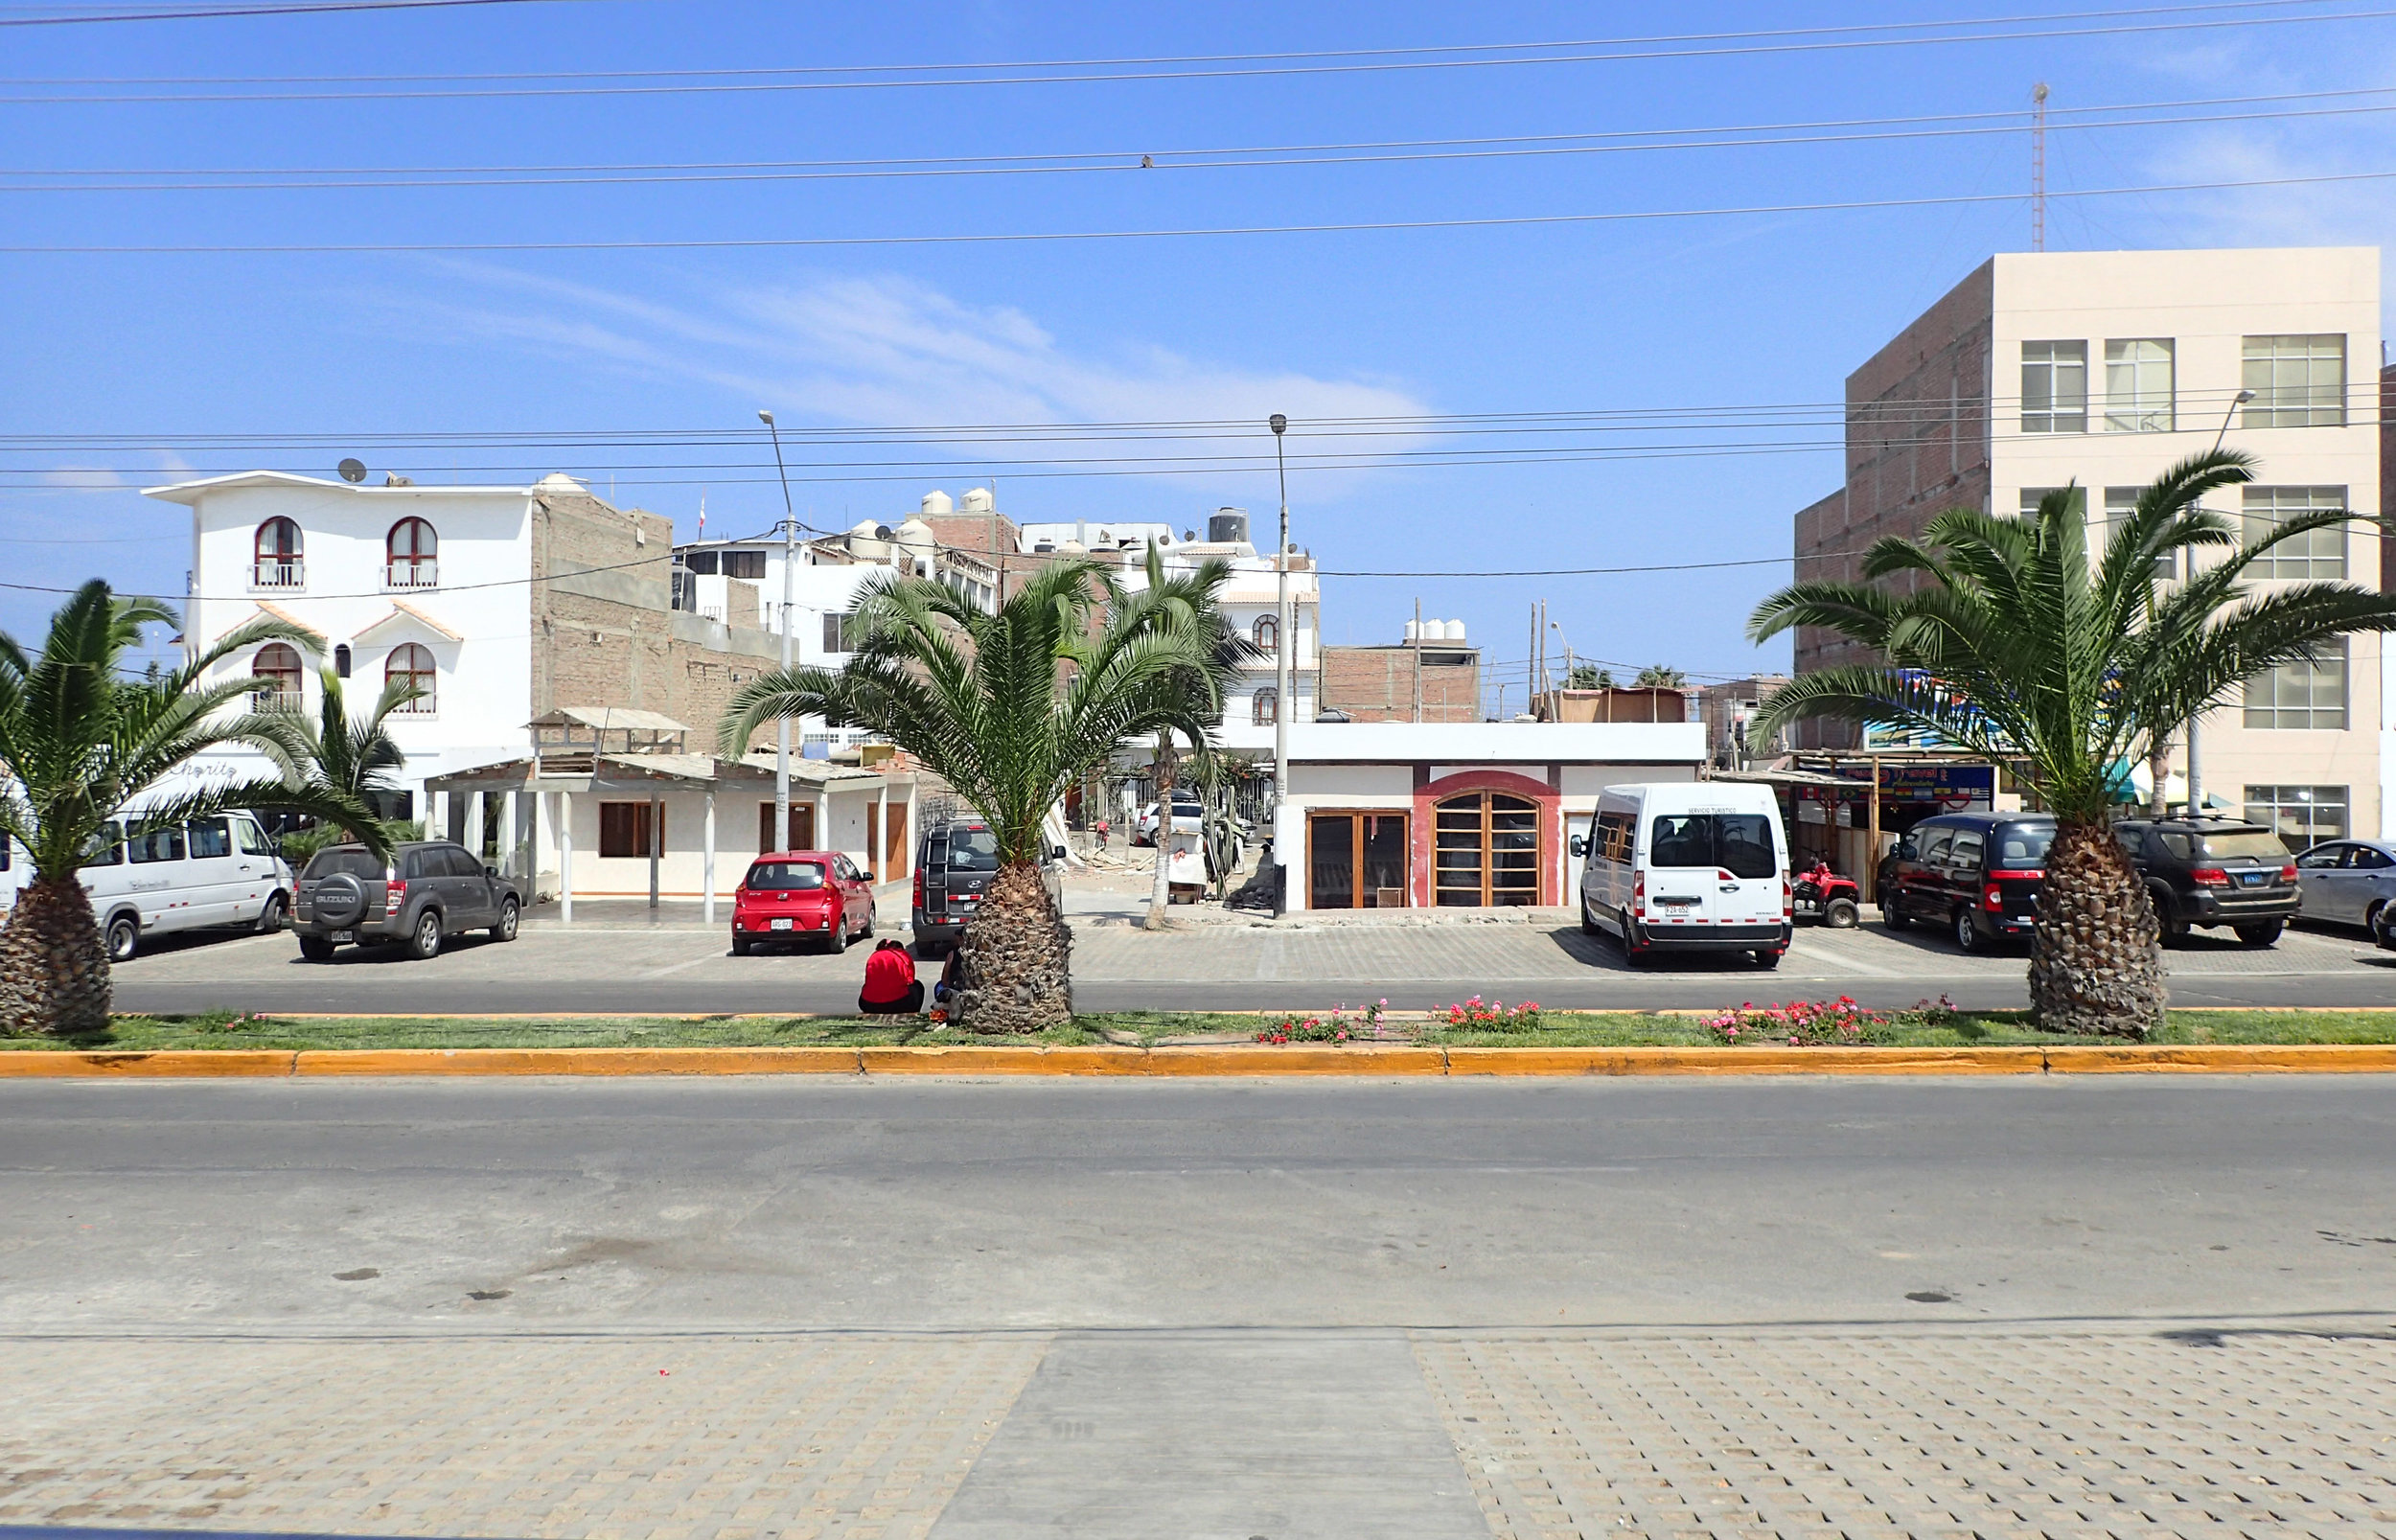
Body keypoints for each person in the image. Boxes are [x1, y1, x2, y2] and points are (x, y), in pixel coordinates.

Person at [858, 939, 923, 1015]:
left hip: (869, 1005)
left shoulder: (874, 956)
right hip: (898, 1004)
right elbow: (910, 981)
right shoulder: (902, 955)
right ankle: (914, 1013)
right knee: (918, 986)